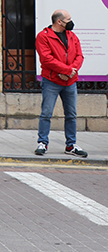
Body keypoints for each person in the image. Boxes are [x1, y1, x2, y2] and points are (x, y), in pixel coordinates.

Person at [34, 9, 87, 157]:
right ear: (59, 22)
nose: (71, 22)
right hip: (51, 81)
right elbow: (46, 59)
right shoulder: (43, 36)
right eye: (68, 19)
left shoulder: (72, 36)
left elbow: (79, 56)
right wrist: (66, 71)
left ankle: (71, 145)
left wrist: (71, 71)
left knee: (71, 114)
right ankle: (42, 143)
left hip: (70, 82)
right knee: (46, 113)